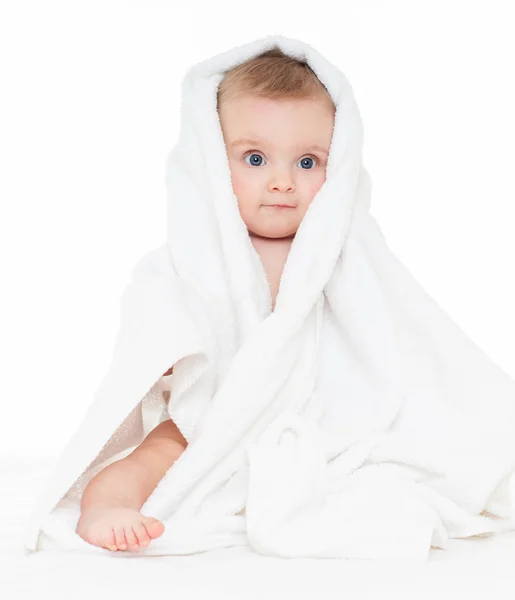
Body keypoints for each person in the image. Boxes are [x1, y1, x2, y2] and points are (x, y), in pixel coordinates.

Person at [75, 47, 335, 552]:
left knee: (378, 465)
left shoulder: (339, 257)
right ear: (211, 161)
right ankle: (104, 507)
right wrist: (168, 358)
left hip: (308, 421)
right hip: (207, 419)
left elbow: (388, 338)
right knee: (152, 458)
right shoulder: (195, 256)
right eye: (255, 159)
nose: (283, 181)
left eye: (308, 162)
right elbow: (154, 321)